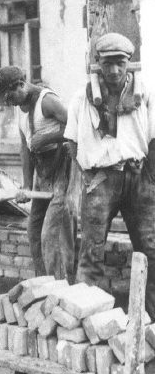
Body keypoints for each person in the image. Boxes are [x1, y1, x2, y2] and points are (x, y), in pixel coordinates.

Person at [65, 32, 155, 317]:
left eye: (120, 63)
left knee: (151, 249)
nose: (114, 70)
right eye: (108, 63)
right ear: (98, 63)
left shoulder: (145, 93)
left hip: (138, 177)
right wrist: (87, 176)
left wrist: (151, 180)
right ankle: (85, 321)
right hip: (101, 180)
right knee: (91, 252)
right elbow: (71, 142)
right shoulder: (82, 98)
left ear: (129, 63)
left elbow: (153, 140)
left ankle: (151, 321)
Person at [0, 66, 76, 282]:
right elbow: (25, 148)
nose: (9, 104)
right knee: (34, 231)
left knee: (50, 235)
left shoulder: (47, 101)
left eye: (9, 98)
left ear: (20, 85)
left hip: (62, 170)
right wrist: (27, 185)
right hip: (42, 174)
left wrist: (47, 138)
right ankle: (42, 283)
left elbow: (78, 128)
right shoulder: (21, 109)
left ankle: (57, 288)